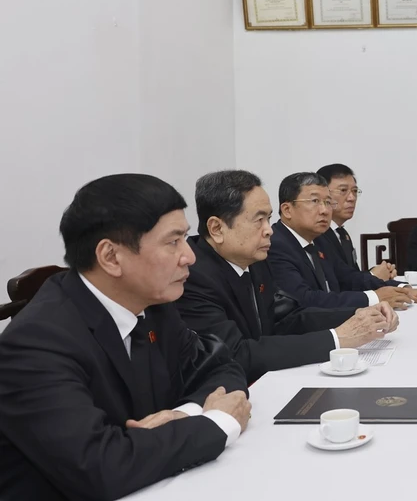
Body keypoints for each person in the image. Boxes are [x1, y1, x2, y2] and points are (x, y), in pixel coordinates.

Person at [0, 174, 251, 500]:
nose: (189, 256)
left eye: (186, 239)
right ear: (111, 257)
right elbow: (100, 467)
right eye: (173, 241)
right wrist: (218, 420)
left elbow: (221, 365)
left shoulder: (153, 305)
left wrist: (186, 414)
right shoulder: (35, 344)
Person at [177, 170, 401, 383]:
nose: (269, 230)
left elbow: (287, 317)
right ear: (217, 228)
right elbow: (236, 354)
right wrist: (337, 338)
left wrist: (361, 315)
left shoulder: (253, 260)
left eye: (269, 219)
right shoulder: (193, 276)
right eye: (259, 220)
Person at [268, 172, 416, 311]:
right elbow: (305, 300)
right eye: (315, 201)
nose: (325, 211)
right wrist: (376, 297)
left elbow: (348, 278)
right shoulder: (275, 245)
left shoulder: (319, 239)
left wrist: (401, 288)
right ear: (287, 210)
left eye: (327, 202)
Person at [315, 163, 396, 281]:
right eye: (343, 190)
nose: (351, 198)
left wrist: (378, 273)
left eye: (354, 191)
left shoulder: (343, 234)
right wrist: (373, 276)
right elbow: (337, 283)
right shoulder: (317, 234)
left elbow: (351, 275)